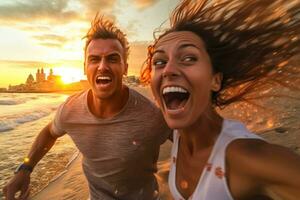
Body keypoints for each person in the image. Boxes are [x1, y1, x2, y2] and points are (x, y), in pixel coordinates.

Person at [141, 0, 300, 199]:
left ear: (215, 80)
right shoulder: (180, 134)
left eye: (189, 58)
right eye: (160, 62)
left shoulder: (245, 156)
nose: (168, 70)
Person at [3, 15, 171, 200]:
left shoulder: (151, 115)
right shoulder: (71, 109)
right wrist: (25, 168)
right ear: (85, 67)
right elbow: (49, 132)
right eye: (94, 59)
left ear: (125, 67)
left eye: (113, 59)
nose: (102, 66)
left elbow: (188, 140)